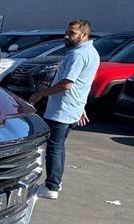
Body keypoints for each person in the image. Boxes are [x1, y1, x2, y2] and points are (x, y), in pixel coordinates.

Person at [29, 19, 99, 199]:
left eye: (72, 33)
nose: (66, 36)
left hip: (62, 110)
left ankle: (51, 186)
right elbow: (84, 84)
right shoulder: (91, 52)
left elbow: (67, 84)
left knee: (53, 148)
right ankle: (55, 183)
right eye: (67, 32)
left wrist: (40, 94)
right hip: (72, 109)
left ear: (84, 35)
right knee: (58, 147)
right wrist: (81, 106)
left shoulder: (78, 55)